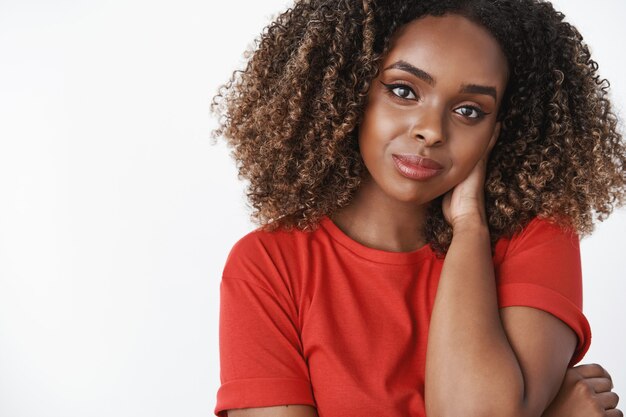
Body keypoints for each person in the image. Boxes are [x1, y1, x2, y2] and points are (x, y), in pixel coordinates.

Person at [211, 0, 626, 416]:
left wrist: (469, 229)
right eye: (403, 90)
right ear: (348, 90)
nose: (431, 130)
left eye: (469, 111)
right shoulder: (269, 266)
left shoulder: (535, 239)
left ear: (496, 131)